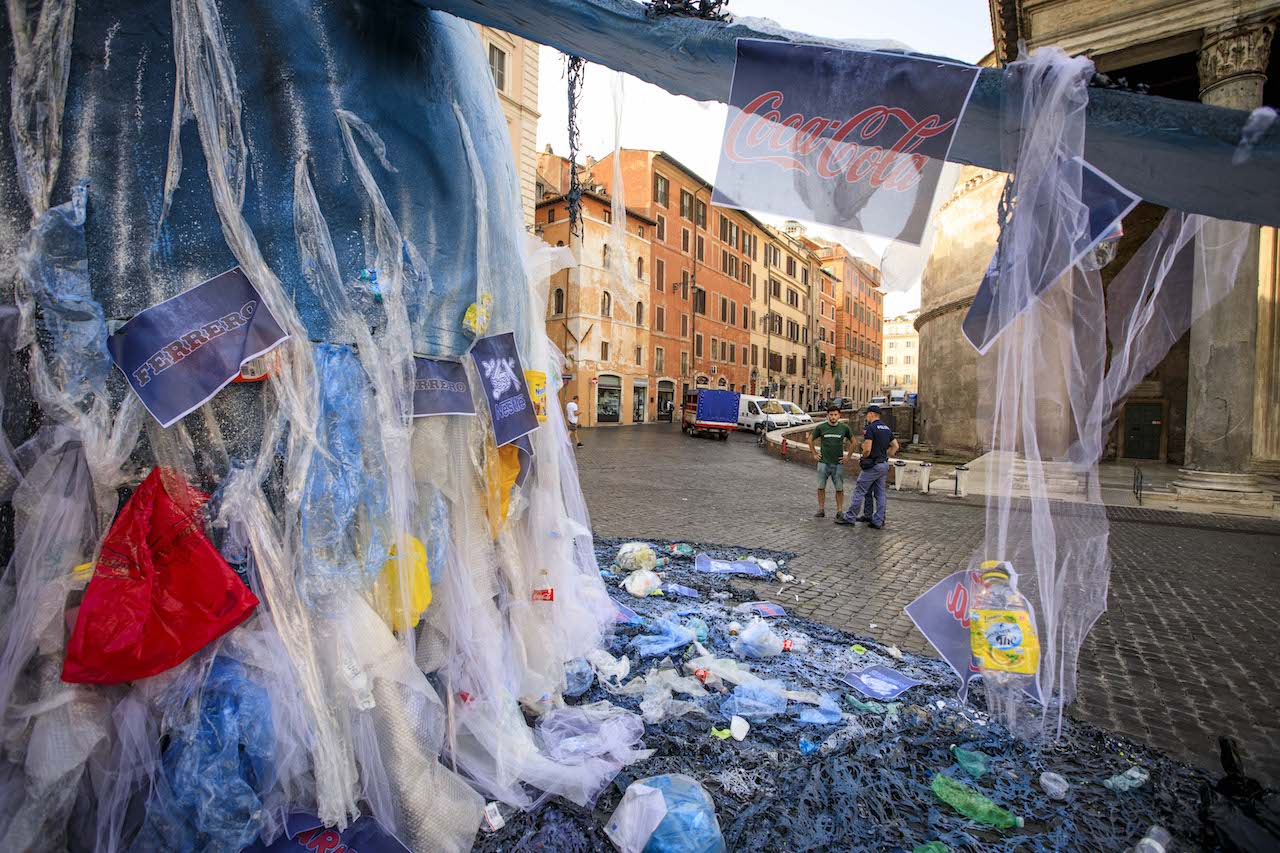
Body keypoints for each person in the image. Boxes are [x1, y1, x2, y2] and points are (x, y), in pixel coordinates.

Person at [835, 404, 898, 529]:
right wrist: (885, 456)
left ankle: (850, 517)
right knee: (879, 493)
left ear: (871, 414)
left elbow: (867, 448)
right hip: (883, 465)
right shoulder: (886, 428)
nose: (866, 417)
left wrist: (864, 457)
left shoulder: (871, 428)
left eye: (867, 415)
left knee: (859, 490)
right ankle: (877, 519)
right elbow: (895, 446)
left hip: (872, 465)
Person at [807, 404, 854, 518]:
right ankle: (821, 509)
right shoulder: (821, 427)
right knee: (821, 486)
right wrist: (814, 454)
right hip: (823, 462)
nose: (833, 417)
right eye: (831, 415)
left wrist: (848, 457)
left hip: (838, 463)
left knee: (839, 488)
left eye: (835, 415)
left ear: (839, 416)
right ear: (827, 415)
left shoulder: (844, 428)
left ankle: (839, 510)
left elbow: (854, 441)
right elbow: (810, 439)